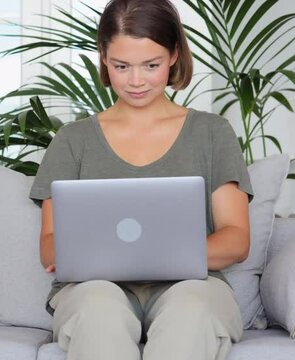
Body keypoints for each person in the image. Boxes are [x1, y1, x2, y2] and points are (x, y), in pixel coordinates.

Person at [29, 1, 252, 359]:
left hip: (193, 287)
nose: (136, 81)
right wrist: (116, 258)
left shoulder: (212, 133)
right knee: (99, 312)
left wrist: (152, 256)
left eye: (151, 65)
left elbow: (236, 240)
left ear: (175, 54)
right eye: (121, 66)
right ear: (103, 57)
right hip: (93, 289)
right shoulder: (73, 139)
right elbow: (50, 246)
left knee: (190, 313)